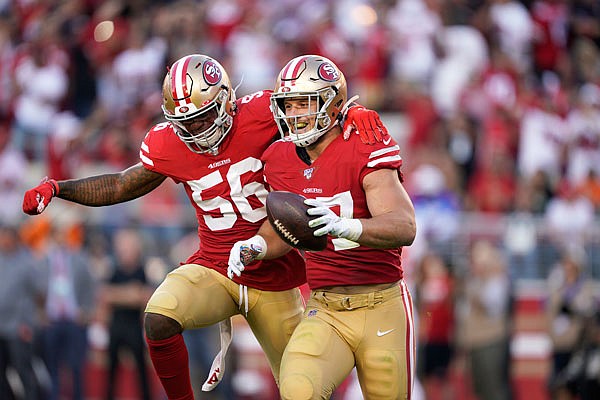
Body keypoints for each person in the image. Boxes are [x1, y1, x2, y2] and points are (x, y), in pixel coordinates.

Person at [22, 54, 388, 400]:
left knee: (302, 389)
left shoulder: (261, 112)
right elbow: (121, 184)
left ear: (227, 100)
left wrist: (351, 111)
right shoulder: (168, 144)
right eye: (186, 123)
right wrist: (58, 187)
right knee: (158, 319)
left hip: (275, 277)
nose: (196, 130)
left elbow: (309, 99)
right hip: (215, 267)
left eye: (203, 117)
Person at [228, 55, 417, 399]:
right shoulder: (279, 159)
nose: (296, 114)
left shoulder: (363, 142)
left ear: (334, 104)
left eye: (305, 102)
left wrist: (347, 227)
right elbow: (283, 230)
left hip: (381, 303)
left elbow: (404, 226)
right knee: (298, 388)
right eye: (289, 104)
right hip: (325, 306)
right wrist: (255, 246)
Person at [102, 227, 153, 400]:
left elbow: (145, 296)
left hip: (133, 326)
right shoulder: (115, 271)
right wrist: (130, 293)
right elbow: (105, 295)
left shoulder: (141, 271)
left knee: (141, 371)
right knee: (111, 370)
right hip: (116, 326)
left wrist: (120, 294)